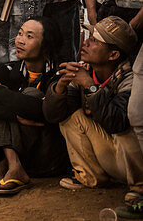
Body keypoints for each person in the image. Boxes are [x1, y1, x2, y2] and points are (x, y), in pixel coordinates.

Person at [44, 16, 143, 203]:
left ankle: (139, 188)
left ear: (113, 55)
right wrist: (60, 88)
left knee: (126, 128)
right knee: (71, 118)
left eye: (95, 40)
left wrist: (90, 85)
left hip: (130, 161)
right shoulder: (85, 70)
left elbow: (117, 122)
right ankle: (91, 176)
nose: (86, 42)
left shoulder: (131, 78)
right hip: (109, 156)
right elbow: (53, 116)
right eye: (90, 36)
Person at [0, 17, 68, 196]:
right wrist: (13, 116)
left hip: (47, 156)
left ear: (45, 45)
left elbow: (41, 111)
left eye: (30, 36)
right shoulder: (9, 69)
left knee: (29, 95)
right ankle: (13, 166)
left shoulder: (59, 74)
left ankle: (8, 164)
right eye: (20, 33)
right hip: (16, 151)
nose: (20, 40)